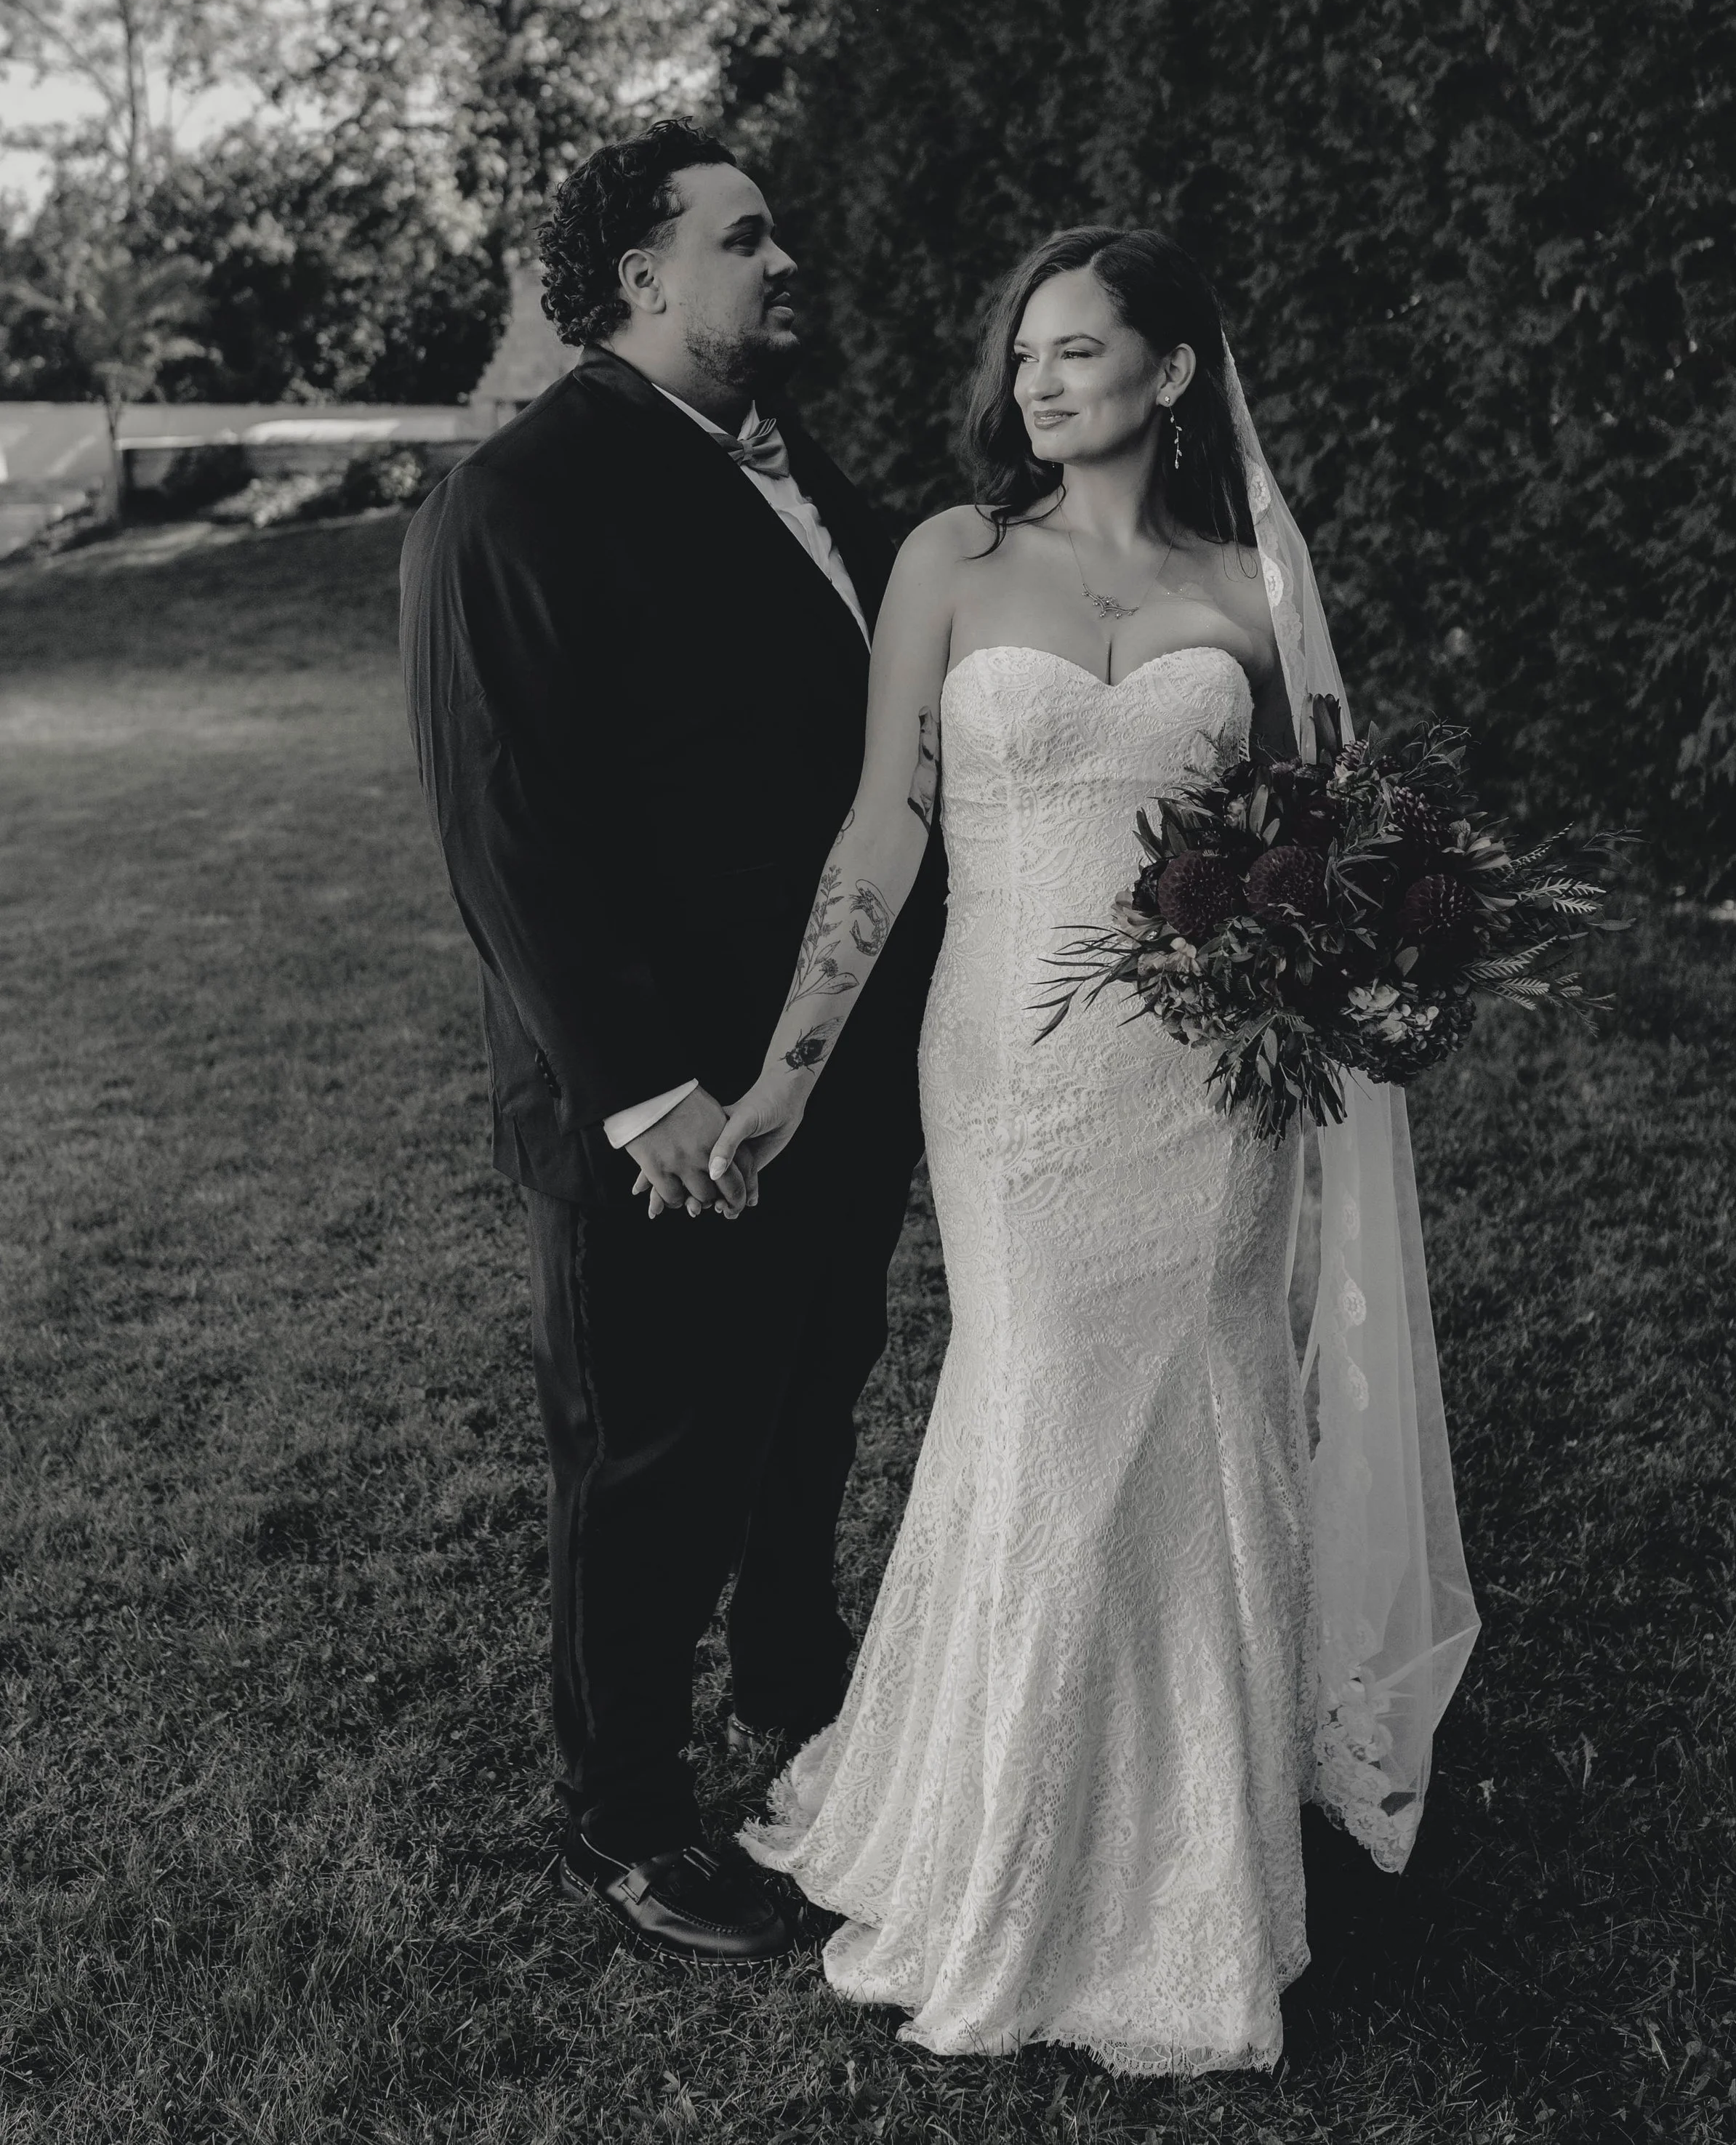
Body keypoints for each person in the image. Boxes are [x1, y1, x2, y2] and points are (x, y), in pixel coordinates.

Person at [710, 227, 1479, 2070]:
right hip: (1012, 1079)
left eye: (1079, 353)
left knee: (1202, 1400)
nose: (1040, 383)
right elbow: (880, 836)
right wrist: (783, 1076)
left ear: (1171, 374)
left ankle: (1192, 1860)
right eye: (1026, 356)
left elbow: (1329, 840)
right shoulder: (954, 561)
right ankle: (1003, 1843)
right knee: (1044, 1391)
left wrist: (1374, 974)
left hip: (1205, 1088)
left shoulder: (1249, 584)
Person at [398, 119, 941, 1963]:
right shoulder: (519, 502)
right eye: (746, 236)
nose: (786, 263)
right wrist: (649, 1094)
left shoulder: (819, 484)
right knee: (650, 1455)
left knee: (809, 1402)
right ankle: (626, 1817)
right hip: (667, 1107)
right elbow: (505, 826)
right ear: (639, 274)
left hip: (834, 1076)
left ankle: (799, 1692)